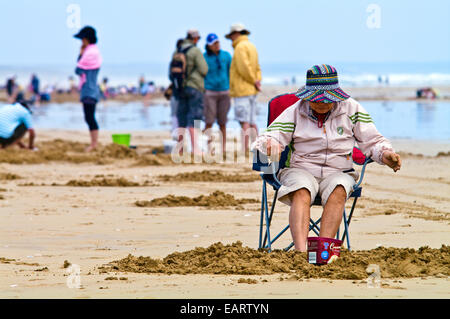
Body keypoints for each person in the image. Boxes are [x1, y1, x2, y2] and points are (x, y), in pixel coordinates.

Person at [251, 64, 402, 253]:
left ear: (336, 96)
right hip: (300, 169)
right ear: (307, 96)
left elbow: (373, 141)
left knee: (339, 189)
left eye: (326, 100)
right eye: (316, 100)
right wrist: (269, 144)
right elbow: (268, 136)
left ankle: (324, 252)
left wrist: (385, 154)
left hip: (338, 170)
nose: (321, 104)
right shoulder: (296, 111)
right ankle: (301, 252)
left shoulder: (352, 109)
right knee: (301, 189)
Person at [226, 23, 262, 154]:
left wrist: (253, 80)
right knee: (252, 121)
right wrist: (257, 82)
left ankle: (245, 149)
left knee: (244, 121)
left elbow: (243, 68)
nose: (231, 39)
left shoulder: (240, 47)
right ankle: (258, 147)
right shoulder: (252, 46)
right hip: (252, 89)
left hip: (242, 90)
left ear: (236, 34)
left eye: (231, 36)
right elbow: (257, 67)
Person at [174, 29, 208, 155]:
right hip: (194, 87)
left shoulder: (177, 50)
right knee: (194, 118)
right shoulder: (195, 51)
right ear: (195, 38)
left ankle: (180, 148)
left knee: (181, 119)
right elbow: (204, 69)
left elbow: (170, 73)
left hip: (180, 89)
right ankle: (196, 149)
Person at [74, 26, 103, 152]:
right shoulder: (93, 52)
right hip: (90, 89)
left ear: (86, 39)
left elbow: (78, 69)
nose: (81, 42)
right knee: (89, 116)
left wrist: (81, 53)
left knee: (90, 117)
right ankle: (94, 143)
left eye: (82, 39)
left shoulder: (90, 53)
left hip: (90, 89)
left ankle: (94, 143)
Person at [203, 33, 232, 155]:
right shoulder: (204, 57)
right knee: (209, 121)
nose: (216, 45)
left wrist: (231, 88)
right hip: (209, 92)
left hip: (225, 92)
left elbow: (231, 72)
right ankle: (209, 147)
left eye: (217, 42)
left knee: (223, 122)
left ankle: (223, 149)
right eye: (214, 43)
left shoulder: (226, 55)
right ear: (209, 45)